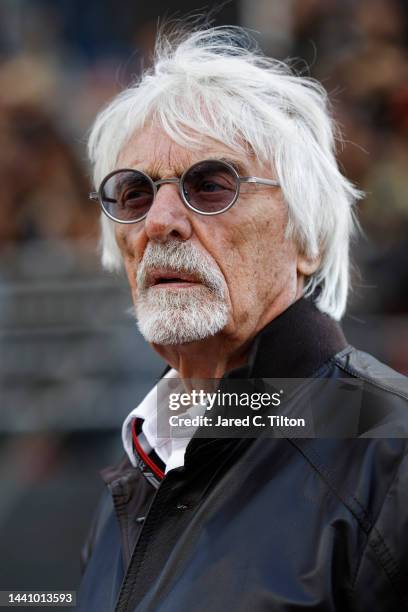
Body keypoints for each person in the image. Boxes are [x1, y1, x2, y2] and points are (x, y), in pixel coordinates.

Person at [77, 27, 408, 612]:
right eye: (134, 194)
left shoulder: (390, 451)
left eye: (210, 186)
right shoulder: (135, 474)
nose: (160, 222)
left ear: (304, 239)